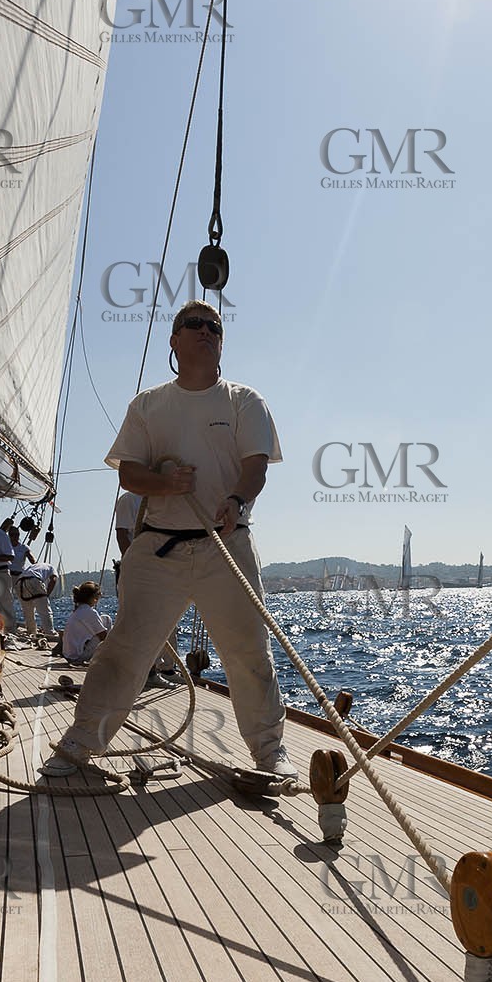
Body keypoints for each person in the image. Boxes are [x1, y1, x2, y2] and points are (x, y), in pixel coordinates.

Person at [42, 298, 292, 780]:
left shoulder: (245, 401)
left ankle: (269, 752)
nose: (206, 331)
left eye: (215, 327)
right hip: (158, 548)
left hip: (227, 544)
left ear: (222, 343)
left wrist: (236, 499)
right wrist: (164, 484)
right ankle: (80, 742)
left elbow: (255, 466)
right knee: (125, 650)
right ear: (174, 341)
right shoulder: (148, 405)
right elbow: (129, 472)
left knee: (248, 652)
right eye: (194, 324)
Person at [62, 582, 109, 663]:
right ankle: (109, 656)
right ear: (93, 597)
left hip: (69, 655)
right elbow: (103, 636)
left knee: (104, 618)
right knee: (107, 621)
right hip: (79, 656)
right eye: (99, 594)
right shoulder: (89, 612)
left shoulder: (79, 610)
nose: (100, 596)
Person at [16, 561, 58, 636]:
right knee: (44, 610)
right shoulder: (51, 567)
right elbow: (53, 580)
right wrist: (46, 595)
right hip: (34, 579)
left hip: (20, 582)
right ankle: (50, 632)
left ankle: (31, 631)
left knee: (28, 610)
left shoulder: (33, 566)